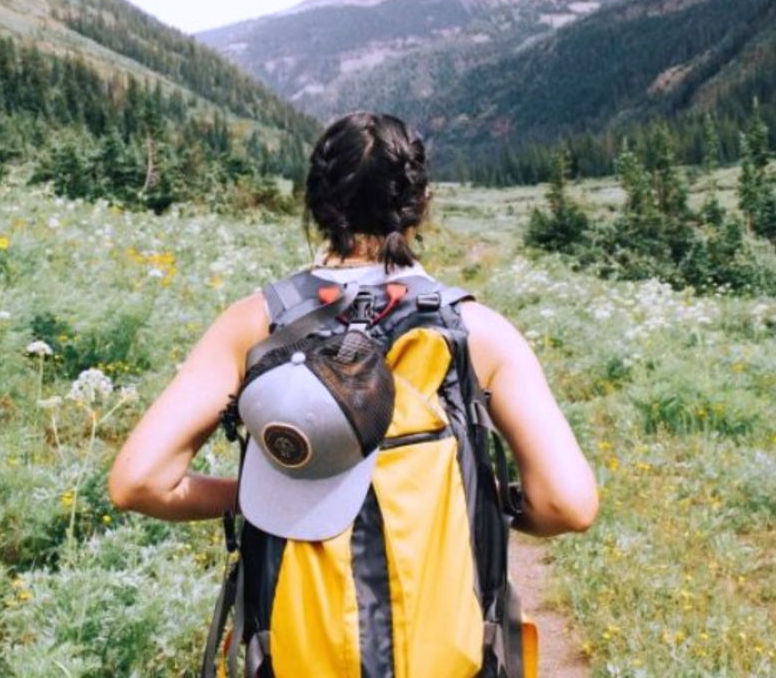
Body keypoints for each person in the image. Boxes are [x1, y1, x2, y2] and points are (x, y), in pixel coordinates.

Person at [108, 111, 597, 658]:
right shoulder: (476, 332)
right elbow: (569, 504)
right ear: (420, 203)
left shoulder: (256, 325)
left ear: (316, 202)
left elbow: (138, 482)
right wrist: (480, 500)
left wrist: (255, 496)